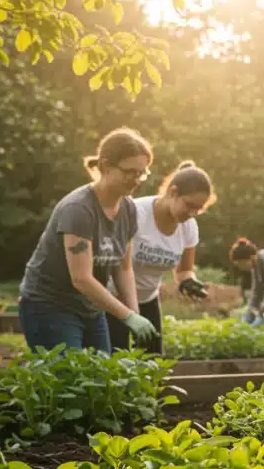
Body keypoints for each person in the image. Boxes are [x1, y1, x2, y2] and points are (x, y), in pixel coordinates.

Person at [18, 128, 159, 353]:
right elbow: (81, 278)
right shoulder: (79, 209)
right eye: (129, 172)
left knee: (102, 378)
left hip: (90, 307)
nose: (136, 180)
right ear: (105, 166)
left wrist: (134, 315)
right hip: (49, 305)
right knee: (68, 380)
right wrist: (128, 316)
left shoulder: (129, 209)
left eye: (141, 173)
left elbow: (122, 268)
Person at [107, 161, 215, 354]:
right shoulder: (135, 213)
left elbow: (183, 271)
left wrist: (189, 283)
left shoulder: (189, 227)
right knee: (114, 361)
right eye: (189, 205)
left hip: (148, 300)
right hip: (114, 299)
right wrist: (131, 314)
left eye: (198, 209)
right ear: (173, 192)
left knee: (153, 364)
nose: (192, 214)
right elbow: (117, 267)